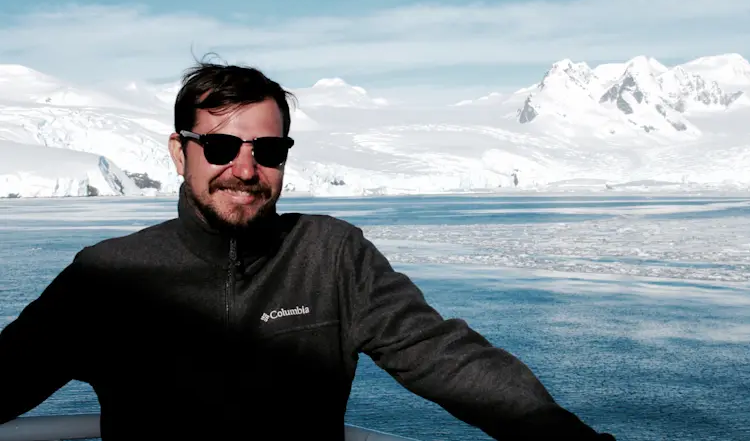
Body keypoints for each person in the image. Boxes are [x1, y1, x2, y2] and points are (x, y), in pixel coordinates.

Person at [0, 60, 615, 440]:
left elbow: (452, 362)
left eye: (267, 151)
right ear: (178, 151)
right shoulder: (108, 277)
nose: (244, 169)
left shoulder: (331, 256)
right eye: (219, 147)